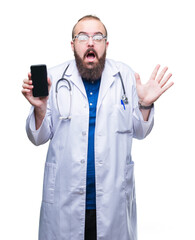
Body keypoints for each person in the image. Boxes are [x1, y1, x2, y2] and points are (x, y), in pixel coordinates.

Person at [22, 15, 174, 240]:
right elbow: (38, 137)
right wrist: (40, 109)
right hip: (65, 201)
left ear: (106, 44)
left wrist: (145, 103)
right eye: (82, 37)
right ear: (73, 44)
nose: (90, 42)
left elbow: (140, 131)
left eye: (98, 37)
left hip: (112, 200)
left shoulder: (124, 76)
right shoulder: (53, 79)